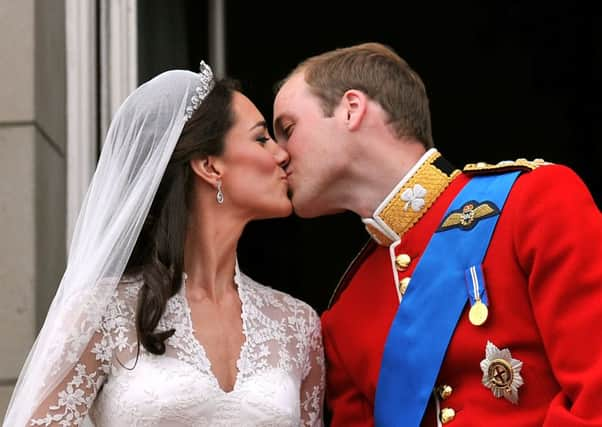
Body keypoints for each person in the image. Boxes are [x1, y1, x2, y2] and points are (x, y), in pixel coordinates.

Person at [273, 42, 602, 426]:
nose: (278, 155)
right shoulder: (343, 317)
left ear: (351, 108)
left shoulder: (533, 202)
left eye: (288, 129)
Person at [3, 62, 325, 426]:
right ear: (210, 166)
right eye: (261, 138)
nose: (282, 154)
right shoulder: (102, 312)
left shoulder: (299, 325)